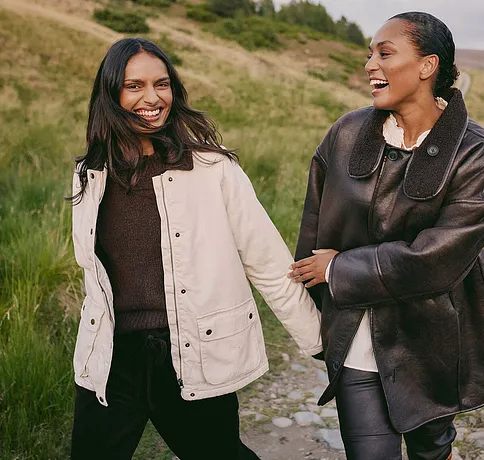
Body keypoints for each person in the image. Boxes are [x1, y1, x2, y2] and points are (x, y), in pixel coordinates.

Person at [69, 37, 323, 460]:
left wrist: (319, 342)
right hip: (111, 360)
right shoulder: (90, 174)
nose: (153, 98)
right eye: (134, 86)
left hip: (192, 353)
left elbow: (267, 263)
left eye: (161, 84)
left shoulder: (213, 169)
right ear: (111, 95)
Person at [288, 11, 484, 460]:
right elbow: (315, 224)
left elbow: (437, 259)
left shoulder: (477, 153)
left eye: (385, 54)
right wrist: (315, 314)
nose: (370, 64)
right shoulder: (346, 132)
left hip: (432, 341)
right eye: (370, 54)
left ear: (427, 66)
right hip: (355, 335)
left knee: (432, 451)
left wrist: (339, 267)